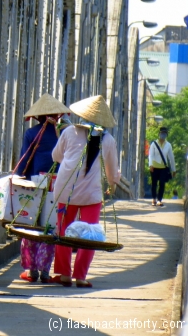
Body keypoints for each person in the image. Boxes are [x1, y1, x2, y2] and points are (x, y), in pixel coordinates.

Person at [50, 95, 121, 288]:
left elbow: (56, 157)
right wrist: (113, 184)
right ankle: (80, 276)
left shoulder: (69, 132)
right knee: (90, 234)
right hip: (91, 194)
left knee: (63, 231)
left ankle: (64, 274)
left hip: (66, 191)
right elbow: (112, 171)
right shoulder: (107, 140)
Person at [16, 94, 71, 284]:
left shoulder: (32, 133)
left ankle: (31, 270)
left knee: (31, 224)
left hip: (35, 182)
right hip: (56, 182)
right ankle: (45, 270)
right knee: (50, 225)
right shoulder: (63, 133)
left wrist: (19, 177)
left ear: (38, 116)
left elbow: (25, 158)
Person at [148, 127, 176, 207]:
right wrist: (150, 165)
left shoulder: (168, 145)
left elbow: (171, 158)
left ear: (166, 135)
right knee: (154, 184)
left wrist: (173, 169)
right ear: (159, 134)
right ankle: (153, 199)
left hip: (163, 168)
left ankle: (159, 200)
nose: (163, 135)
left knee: (162, 184)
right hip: (154, 167)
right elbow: (151, 155)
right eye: (162, 133)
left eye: (164, 133)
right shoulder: (154, 144)